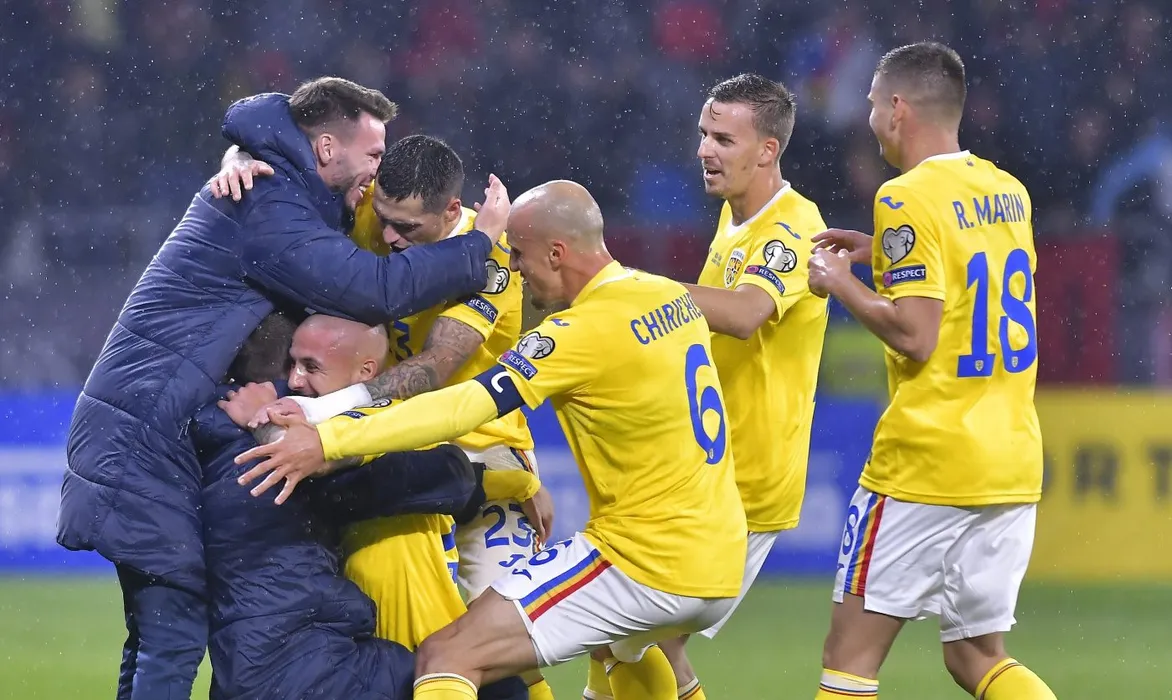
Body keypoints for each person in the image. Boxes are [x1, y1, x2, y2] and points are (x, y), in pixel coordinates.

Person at [58, 75, 510, 699]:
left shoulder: (282, 191)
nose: (377, 170)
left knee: (162, 631)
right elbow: (372, 289)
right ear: (325, 147)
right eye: (373, 154)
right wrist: (480, 245)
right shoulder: (271, 203)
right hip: (146, 436)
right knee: (172, 632)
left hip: (148, 427)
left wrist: (237, 154)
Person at [235, 180, 748, 700]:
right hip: (721, 552)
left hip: (647, 559)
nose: (515, 269)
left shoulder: (581, 330)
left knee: (449, 654)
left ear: (557, 252)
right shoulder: (666, 295)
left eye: (520, 255)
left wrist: (329, 439)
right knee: (620, 646)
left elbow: (461, 406)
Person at [216, 135, 555, 699]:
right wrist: (239, 160)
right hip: (395, 435)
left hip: (482, 446)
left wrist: (319, 409)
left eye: (408, 228)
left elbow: (437, 367)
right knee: (402, 598)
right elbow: (285, 159)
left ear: (451, 211)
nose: (390, 237)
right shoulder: (370, 207)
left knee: (513, 641)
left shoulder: (492, 256)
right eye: (386, 221)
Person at [806, 42, 1056, 700]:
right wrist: (880, 256)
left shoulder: (905, 196)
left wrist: (839, 282)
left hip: (929, 459)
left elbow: (917, 336)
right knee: (977, 655)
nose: (867, 120)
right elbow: (970, 272)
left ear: (897, 109)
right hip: (1009, 459)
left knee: (848, 658)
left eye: (870, 105)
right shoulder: (1007, 190)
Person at [582, 73, 831, 700]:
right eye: (703, 135)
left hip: (747, 482)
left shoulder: (792, 227)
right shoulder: (734, 218)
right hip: (704, 469)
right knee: (618, 633)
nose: (704, 150)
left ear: (768, 150)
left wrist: (631, 286)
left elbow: (745, 313)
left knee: (634, 632)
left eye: (723, 139)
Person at [198, 311, 543, 699]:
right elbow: (442, 476)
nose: (294, 380)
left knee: (496, 677)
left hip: (358, 638)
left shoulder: (342, 425)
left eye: (311, 366)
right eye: (291, 364)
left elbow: (411, 479)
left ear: (366, 371)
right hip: (327, 652)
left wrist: (267, 424)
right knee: (498, 682)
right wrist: (516, 483)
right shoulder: (335, 430)